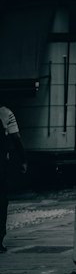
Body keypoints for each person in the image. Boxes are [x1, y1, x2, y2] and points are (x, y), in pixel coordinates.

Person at [0, 102, 26, 253]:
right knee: (2, 200)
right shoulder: (5, 113)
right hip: (1, 163)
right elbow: (16, 138)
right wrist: (23, 160)